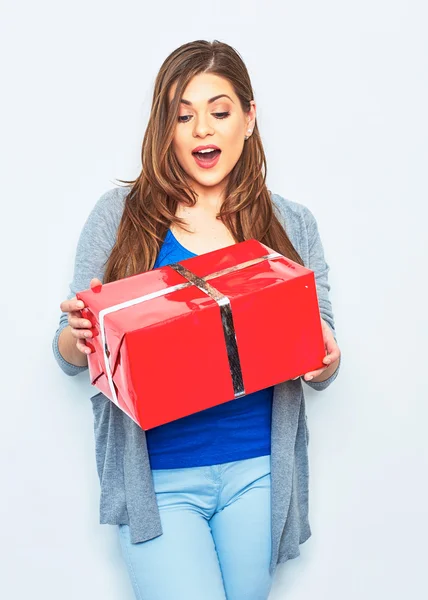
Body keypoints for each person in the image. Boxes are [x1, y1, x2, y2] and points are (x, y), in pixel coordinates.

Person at [53, 39, 342, 600]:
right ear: (166, 126)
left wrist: (325, 354)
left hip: (259, 472)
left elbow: (324, 355)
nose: (202, 129)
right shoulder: (117, 217)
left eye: (219, 110)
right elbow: (66, 354)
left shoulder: (292, 224)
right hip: (158, 480)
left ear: (249, 118)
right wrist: (76, 334)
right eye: (183, 115)